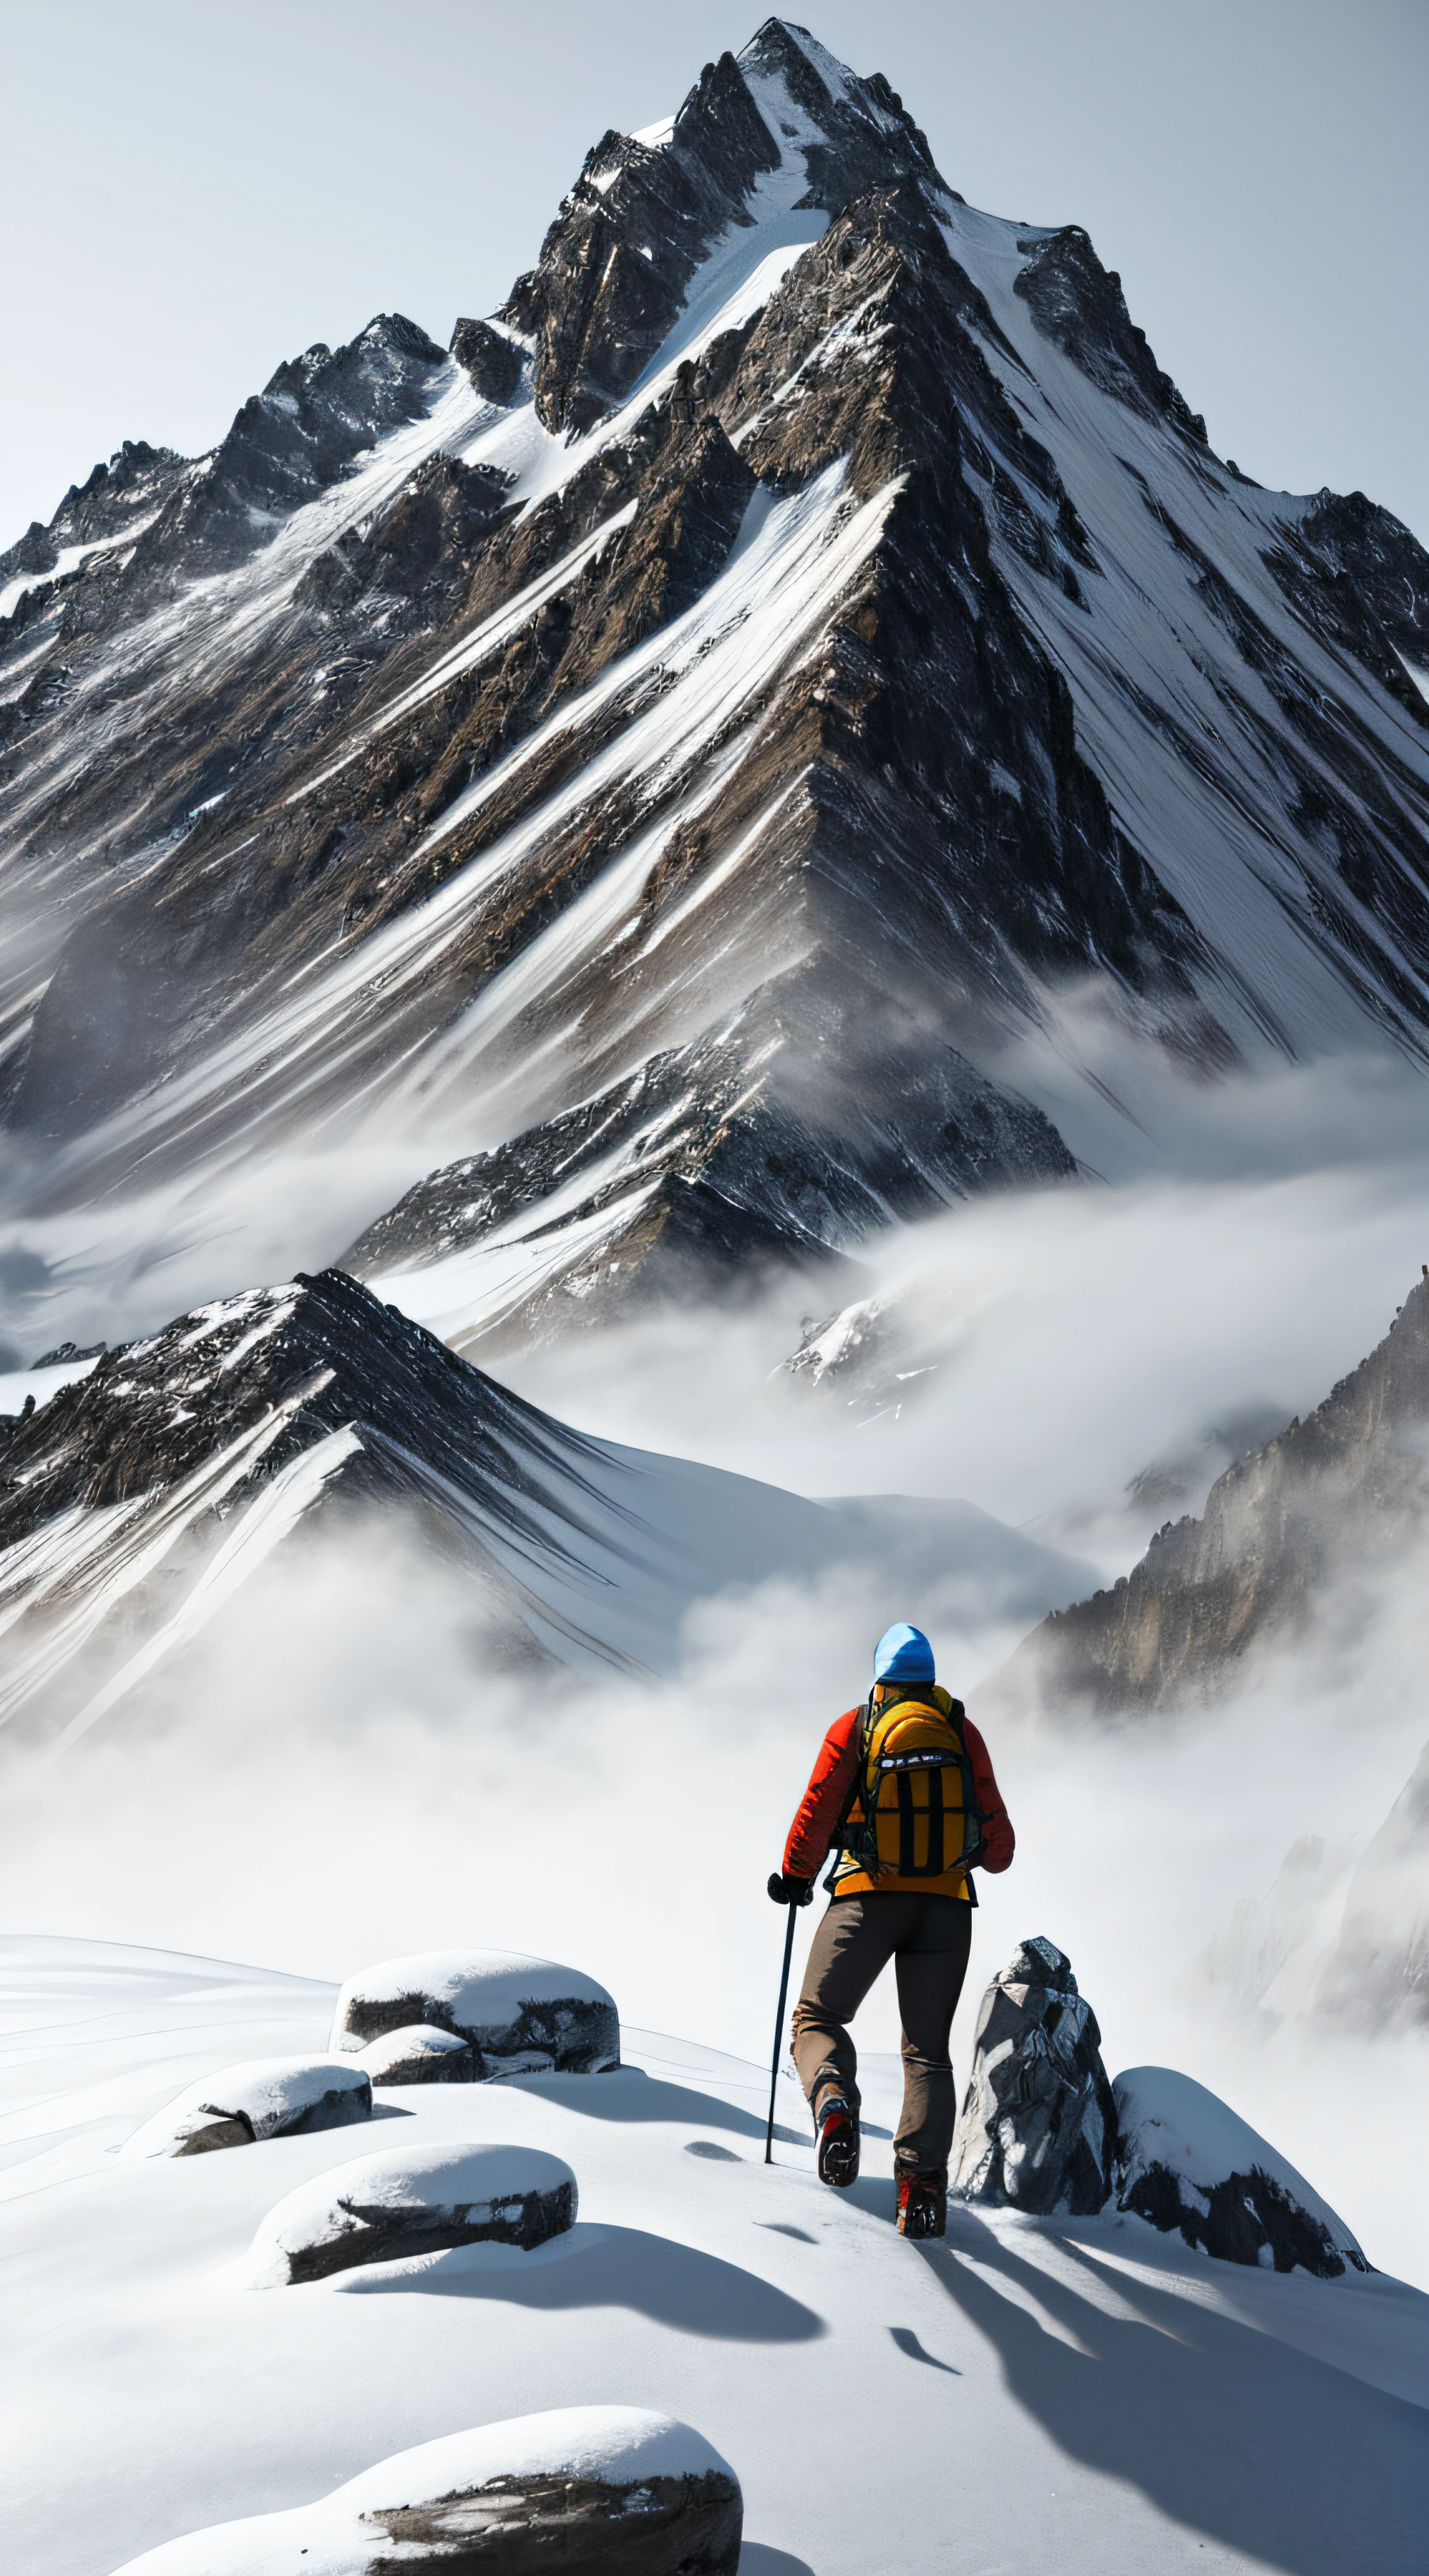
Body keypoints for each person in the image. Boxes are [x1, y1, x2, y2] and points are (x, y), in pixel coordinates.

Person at [767, 1622, 1015, 2239]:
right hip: (946, 1909)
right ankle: (922, 2192)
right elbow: (1000, 1849)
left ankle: (833, 2106)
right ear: (928, 1677)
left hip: (865, 1898)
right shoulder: (960, 1729)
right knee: (926, 2052)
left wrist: (794, 1876)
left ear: (880, 1675)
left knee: (816, 2018)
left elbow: (817, 1810)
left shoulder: (856, 1727)